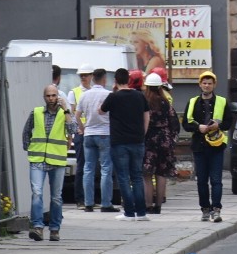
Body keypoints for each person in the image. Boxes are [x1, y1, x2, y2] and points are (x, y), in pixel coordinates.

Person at [22, 84, 77, 242]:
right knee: (37, 193)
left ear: (58, 96)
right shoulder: (37, 112)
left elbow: (72, 129)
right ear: (44, 97)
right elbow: (27, 130)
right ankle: (37, 227)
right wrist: (28, 147)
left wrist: (66, 108)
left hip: (57, 160)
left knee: (56, 197)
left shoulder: (63, 113)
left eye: (54, 95)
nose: (51, 99)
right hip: (38, 159)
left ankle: (54, 229)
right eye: (48, 96)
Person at [100, 68, 150, 221]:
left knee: (123, 177)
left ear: (115, 81)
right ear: (129, 81)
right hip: (137, 140)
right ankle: (141, 212)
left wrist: (114, 92)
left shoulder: (113, 97)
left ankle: (129, 212)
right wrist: (143, 134)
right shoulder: (139, 96)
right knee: (137, 176)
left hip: (119, 142)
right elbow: (146, 116)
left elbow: (100, 111)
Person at [182, 70, 228, 223]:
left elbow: (229, 121)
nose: (207, 86)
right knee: (201, 180)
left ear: (214, 85)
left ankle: (216, 209)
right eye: (204, 83)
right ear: (200, 84)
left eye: (209, 83)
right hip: (199, 146)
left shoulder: (222, 101)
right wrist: (198, 128)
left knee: (216, 180)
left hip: (216, 145)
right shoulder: (193, 102)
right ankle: (205, 209)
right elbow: (186, 123)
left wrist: (218, 125)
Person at [75, 68, 118, 213]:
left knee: (88, 169)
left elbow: (77, 115)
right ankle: (106, 203)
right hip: (105, 133)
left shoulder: (84, 95)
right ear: (105, 79)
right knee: (106, 168)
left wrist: (82, 128)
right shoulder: (108, 95)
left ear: (93, 79)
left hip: (89, 134)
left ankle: (88, 203)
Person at [142, 72, 180, 214]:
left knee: (147, 174)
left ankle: (148, 205)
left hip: (148, 140)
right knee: (161, 173)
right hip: (164, 140)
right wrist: (171, 139)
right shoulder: (165, 102)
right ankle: (158, 206)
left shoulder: (144, 101)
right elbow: (174, 122)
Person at [67, 63, 93, 209]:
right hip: (81, 132)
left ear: (91, 76)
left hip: (92, 131)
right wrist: (77, 129)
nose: (83, 77)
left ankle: (89, 198)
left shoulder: (94, 91)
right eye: (81, 75)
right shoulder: (74, 92)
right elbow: (72, 113)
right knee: (82, 166)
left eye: (86, 75)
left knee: (91, 166)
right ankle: (80, 199)